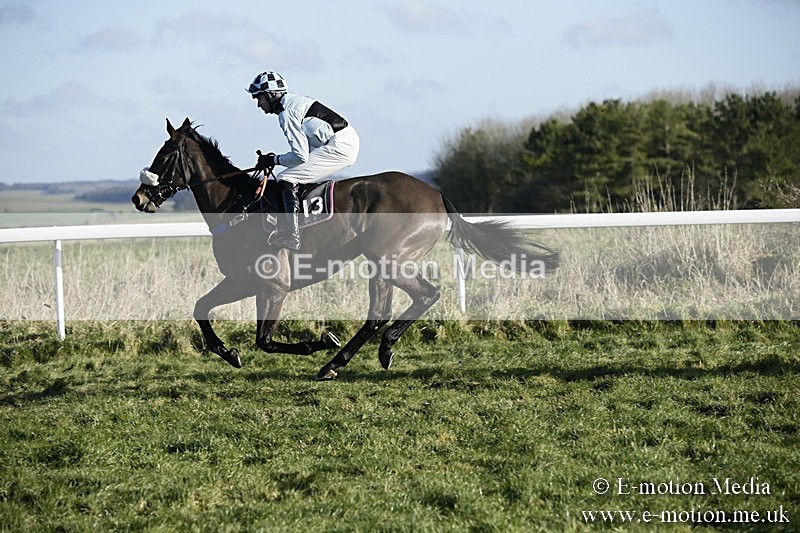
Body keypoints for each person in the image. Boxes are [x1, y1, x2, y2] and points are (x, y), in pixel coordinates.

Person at [247, 70, 360, 251]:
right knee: (292, 174)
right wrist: (274, 159)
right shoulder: (293, 103)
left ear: (270, 95)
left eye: (259, 98)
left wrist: (273, 160)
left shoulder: (287, 113)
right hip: (343, 141)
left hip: (339, 145)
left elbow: (300, 156)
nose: (258, 105)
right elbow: (304, 152)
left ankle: (292, 236)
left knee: (286, 178)